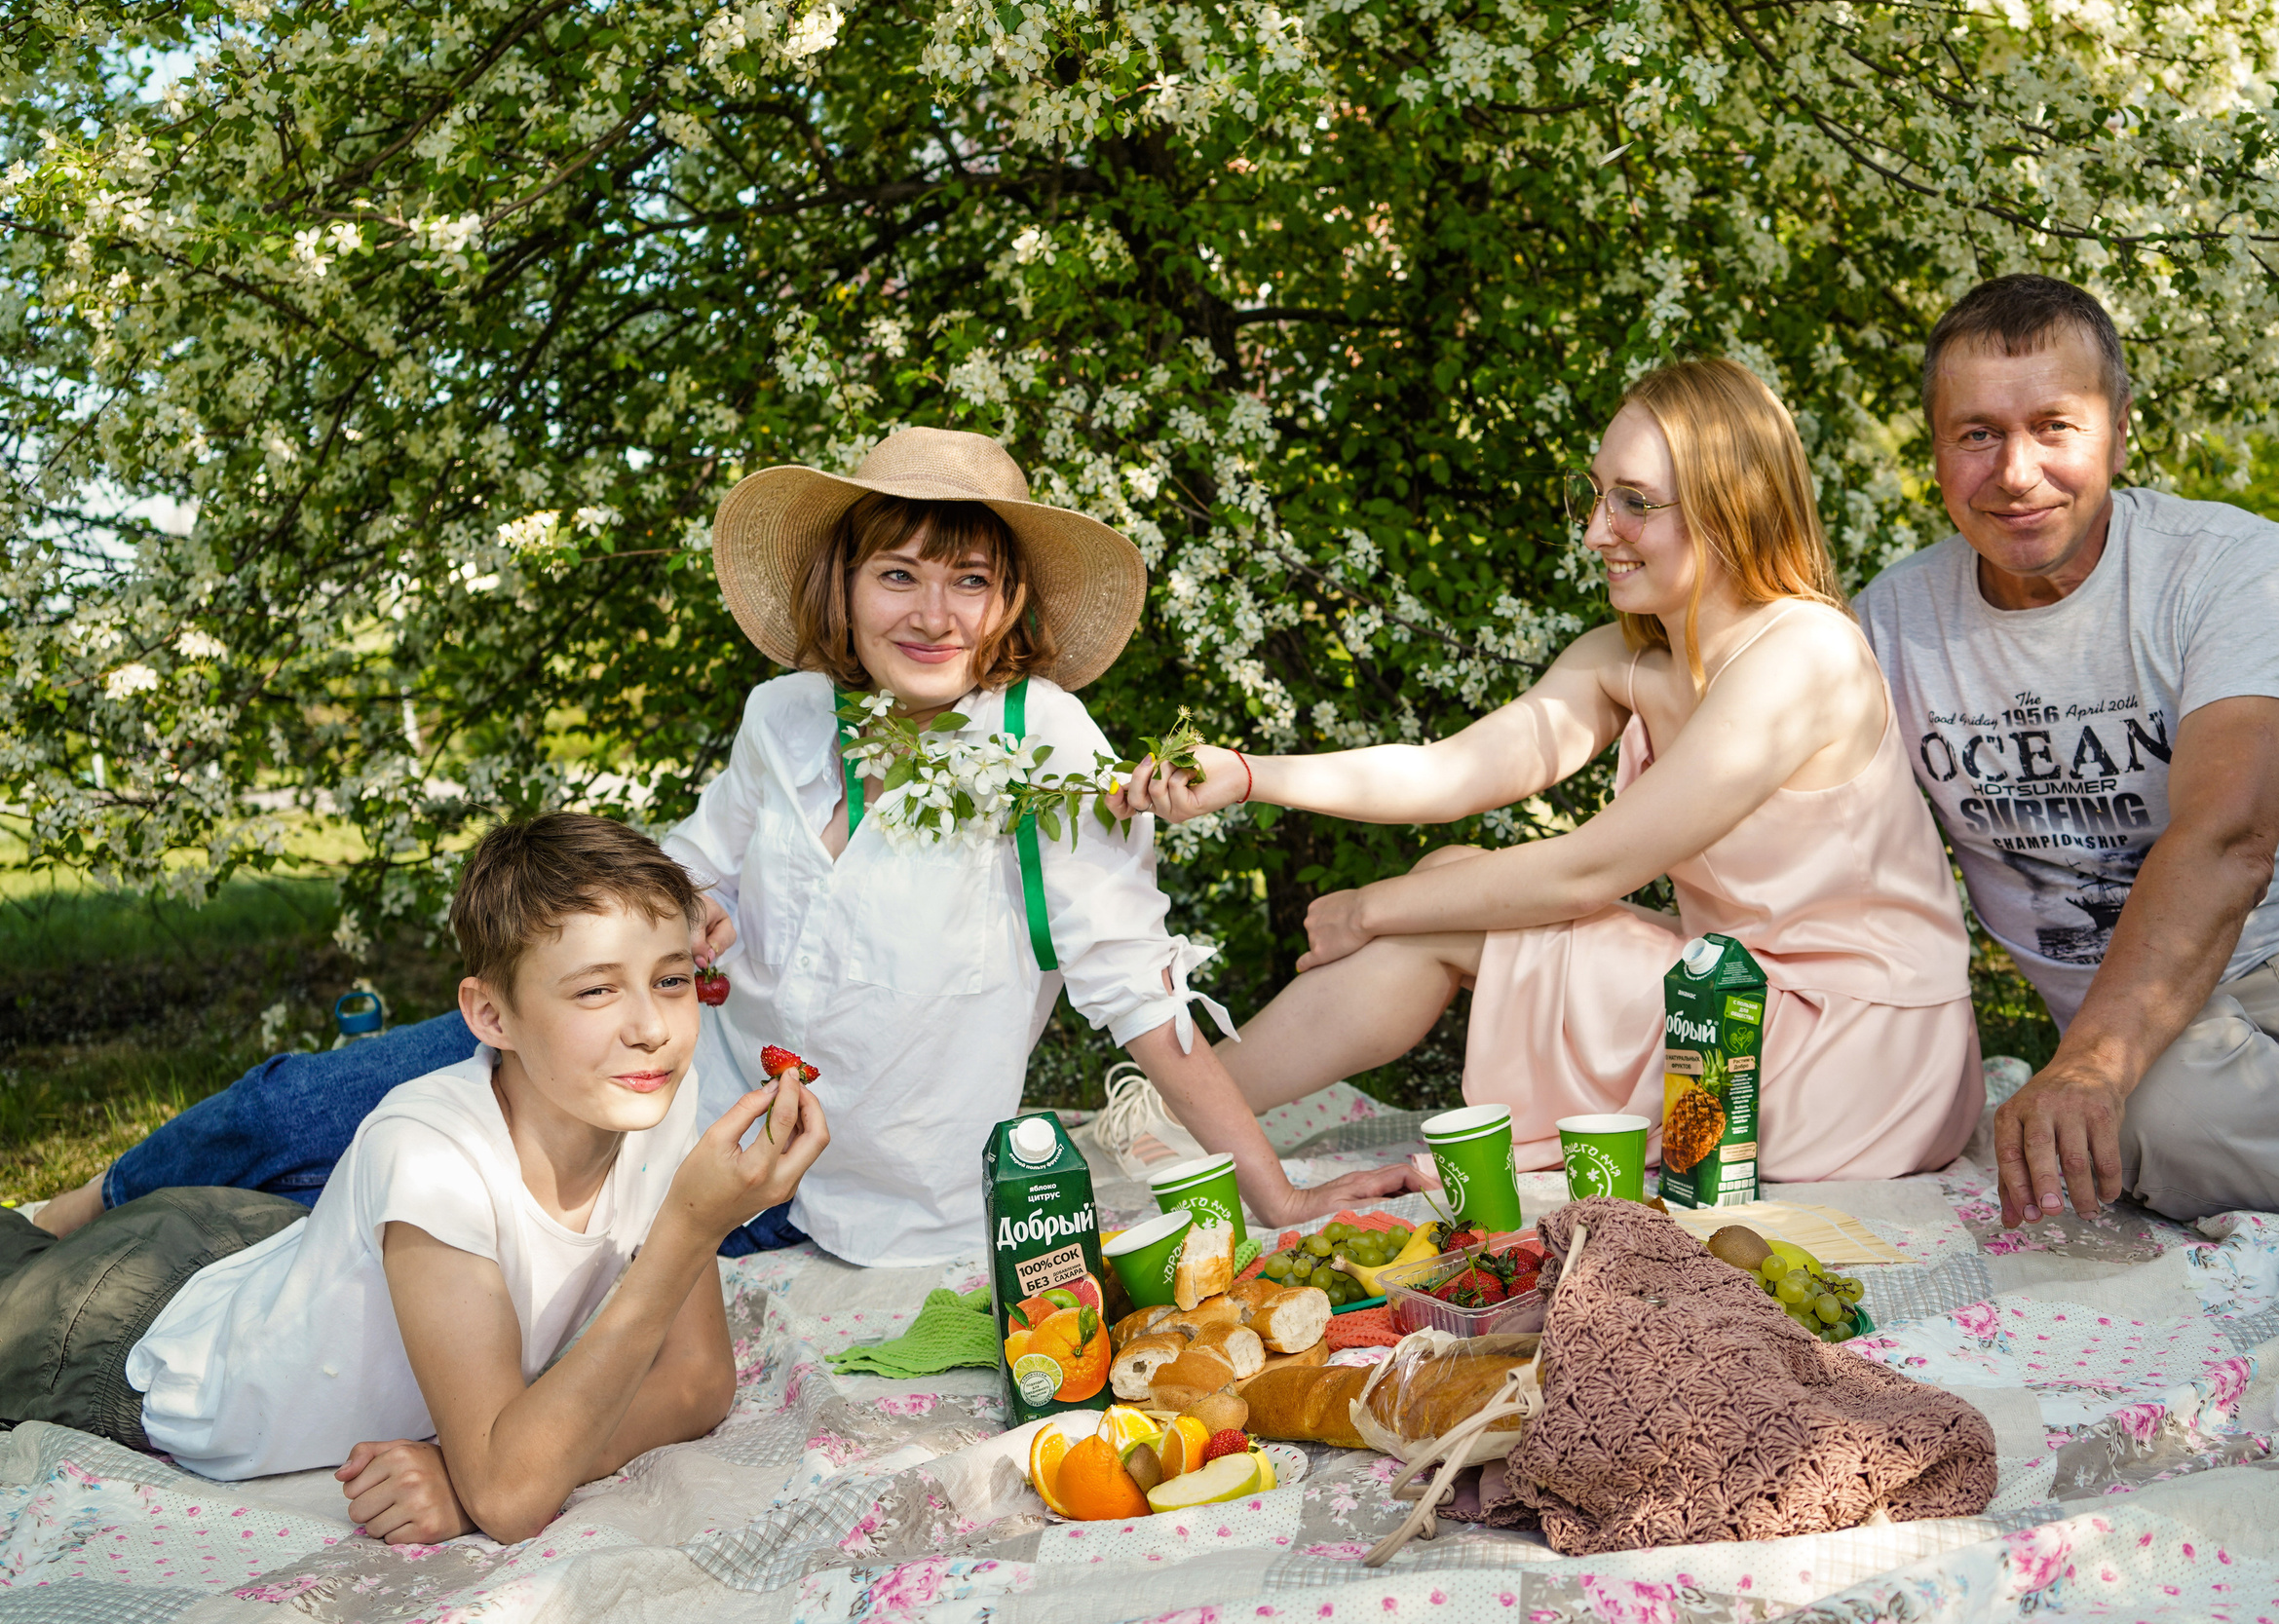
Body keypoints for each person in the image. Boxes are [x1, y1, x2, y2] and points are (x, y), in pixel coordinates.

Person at [36, 427, 1407, 1261]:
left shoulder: (1043, 741)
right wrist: (693, 909)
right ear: (844, 584)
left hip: (814, 1185)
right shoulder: (787, 715)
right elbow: (699, 866)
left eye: (970, 577)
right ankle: (56, 1220)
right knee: (304, 1106)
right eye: (899, 571)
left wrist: (1277, 1192)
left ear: (1007, 608)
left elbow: (1142, 1004)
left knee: (389, 1218)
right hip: (666, 1079)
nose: (932, 610)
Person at [1115, 359, 1985, 1183]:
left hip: (1864, 1056)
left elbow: (1589, 869)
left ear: (1731, 506)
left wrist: (1366, 908)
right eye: (1595, 492)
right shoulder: (1632, 658)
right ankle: (1171, 1115)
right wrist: (1245, 772)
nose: (1596, 530)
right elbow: (1446, 772)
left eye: (1634, 502)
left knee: (1443, 905)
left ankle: (1169, 1117)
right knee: (1450, 881)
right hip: (1731, 1005)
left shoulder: (1805, 652)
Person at [1855, 272, 2279, 1228]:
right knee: (2157, 1127)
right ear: (1937, 449)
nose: (2016, 472)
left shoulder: (2230, 563)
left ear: (2119, 428)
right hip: (2160, 1035)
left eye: (2054, 427)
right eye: (1977, 433)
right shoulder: (1886, 627)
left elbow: (2230, 834)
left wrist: (2088, 1065)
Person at [0, 812, 830, 1544]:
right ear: (489, 1015)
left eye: (672, 979)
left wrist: (464, 1468)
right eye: (596, 990)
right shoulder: (429, 1155)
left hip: (260, 1243)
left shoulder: (656, 1100)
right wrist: (690, 1230)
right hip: (122, 1330)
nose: (651, 1027)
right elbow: (510, 1491)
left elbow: (697, 1381)